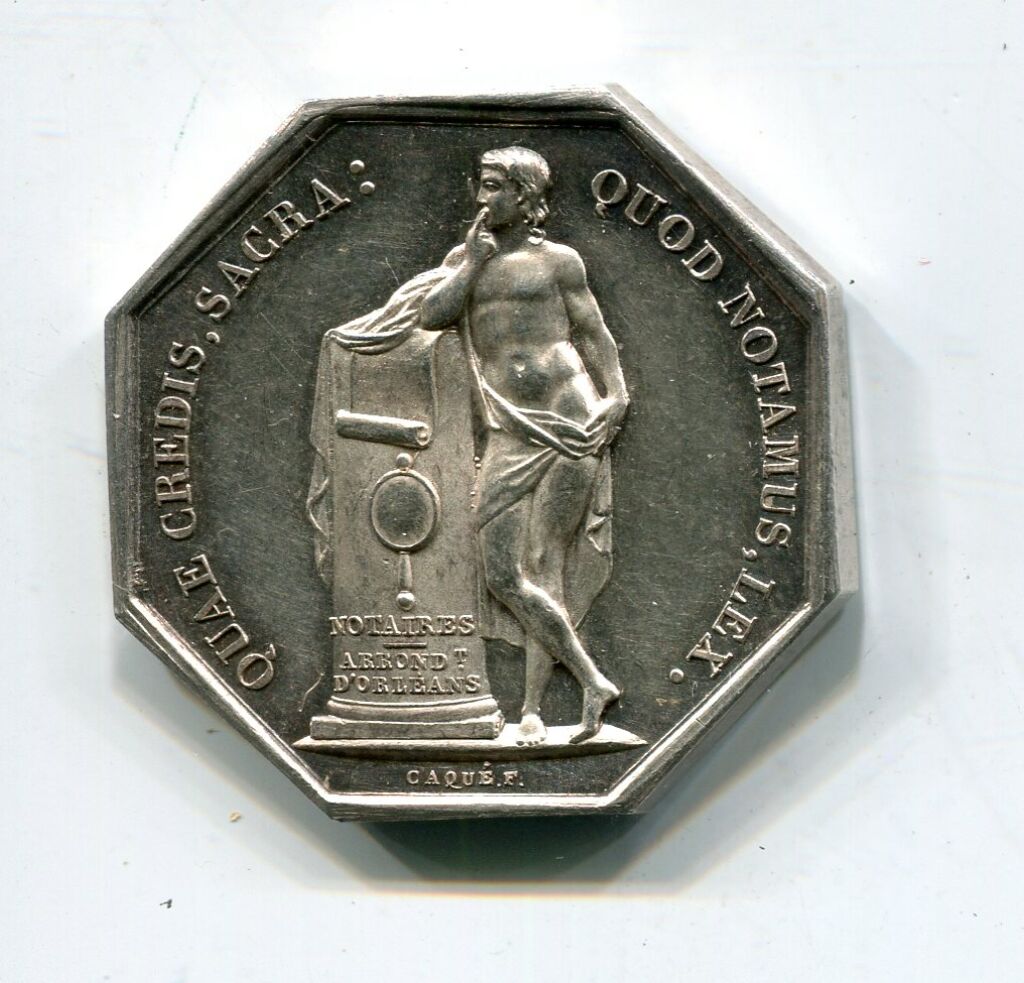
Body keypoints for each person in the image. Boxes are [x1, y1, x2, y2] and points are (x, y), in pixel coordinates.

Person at [419, 147, 630, 745]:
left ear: (524, 194)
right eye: (480, 186)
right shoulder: (465, 260)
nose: (481, 198)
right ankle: (592, 679)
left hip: (572, 418)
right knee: (502, 574)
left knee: (545, 561)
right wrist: (472, 263)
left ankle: (533, 708)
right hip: (511, 428)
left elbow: (593, 332)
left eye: (493, 187)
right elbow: (433, 316)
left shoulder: (559, 262)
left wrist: (617, 395)